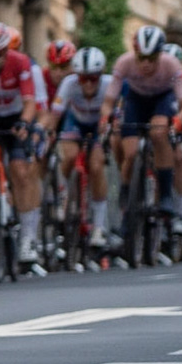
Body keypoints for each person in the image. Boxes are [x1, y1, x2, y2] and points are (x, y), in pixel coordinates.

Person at [103, 25, 182, 235]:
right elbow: (108, 102)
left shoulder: (171, 64)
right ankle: (127, 193)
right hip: (136, 101)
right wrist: (109, 117)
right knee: (131, 151)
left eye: (151, 58)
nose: (145, 64)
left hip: (163, 99)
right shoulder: (124, 63)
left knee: (158, 131)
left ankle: (165, 195)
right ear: (135, 52)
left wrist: (178, 121)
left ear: (160, 55)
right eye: (141, 57)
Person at [0, 19, 45, 261]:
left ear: (7, 50)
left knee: (20, 171)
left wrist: (25, 123)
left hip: (16, 117)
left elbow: (29, 101)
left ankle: (28, 238)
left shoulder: (20, 62)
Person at [50, 47, 112, 248]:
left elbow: (118, 114)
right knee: (68, 156)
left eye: (92, 79)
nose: (87, 83)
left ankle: (99, 227)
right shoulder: (69, 83)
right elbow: (55, 114)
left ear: (100, 76)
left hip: (98, 125)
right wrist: (49, 133)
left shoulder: (109, 85)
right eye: (82, 78)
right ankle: (64, 194)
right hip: (75, 121)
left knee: (96, 166)